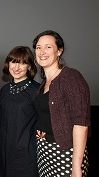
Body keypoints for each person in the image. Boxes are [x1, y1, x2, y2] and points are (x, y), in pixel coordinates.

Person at [32, 30, 91, 177]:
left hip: (64, 152)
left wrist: (76, 166)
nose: (42, 52)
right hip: (44, 151)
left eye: (48, 47)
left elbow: (81, 123)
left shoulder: (71, 78)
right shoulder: (44, 82)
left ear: (59, 51)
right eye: (38, 47)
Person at [0, 46, 40, 177]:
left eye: (23, 63)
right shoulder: (4, 90)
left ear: (29, 66)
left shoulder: (37, 91)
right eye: (13, 62)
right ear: (8, 63)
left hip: (26, 153)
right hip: (2, 152)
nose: (17, 68)